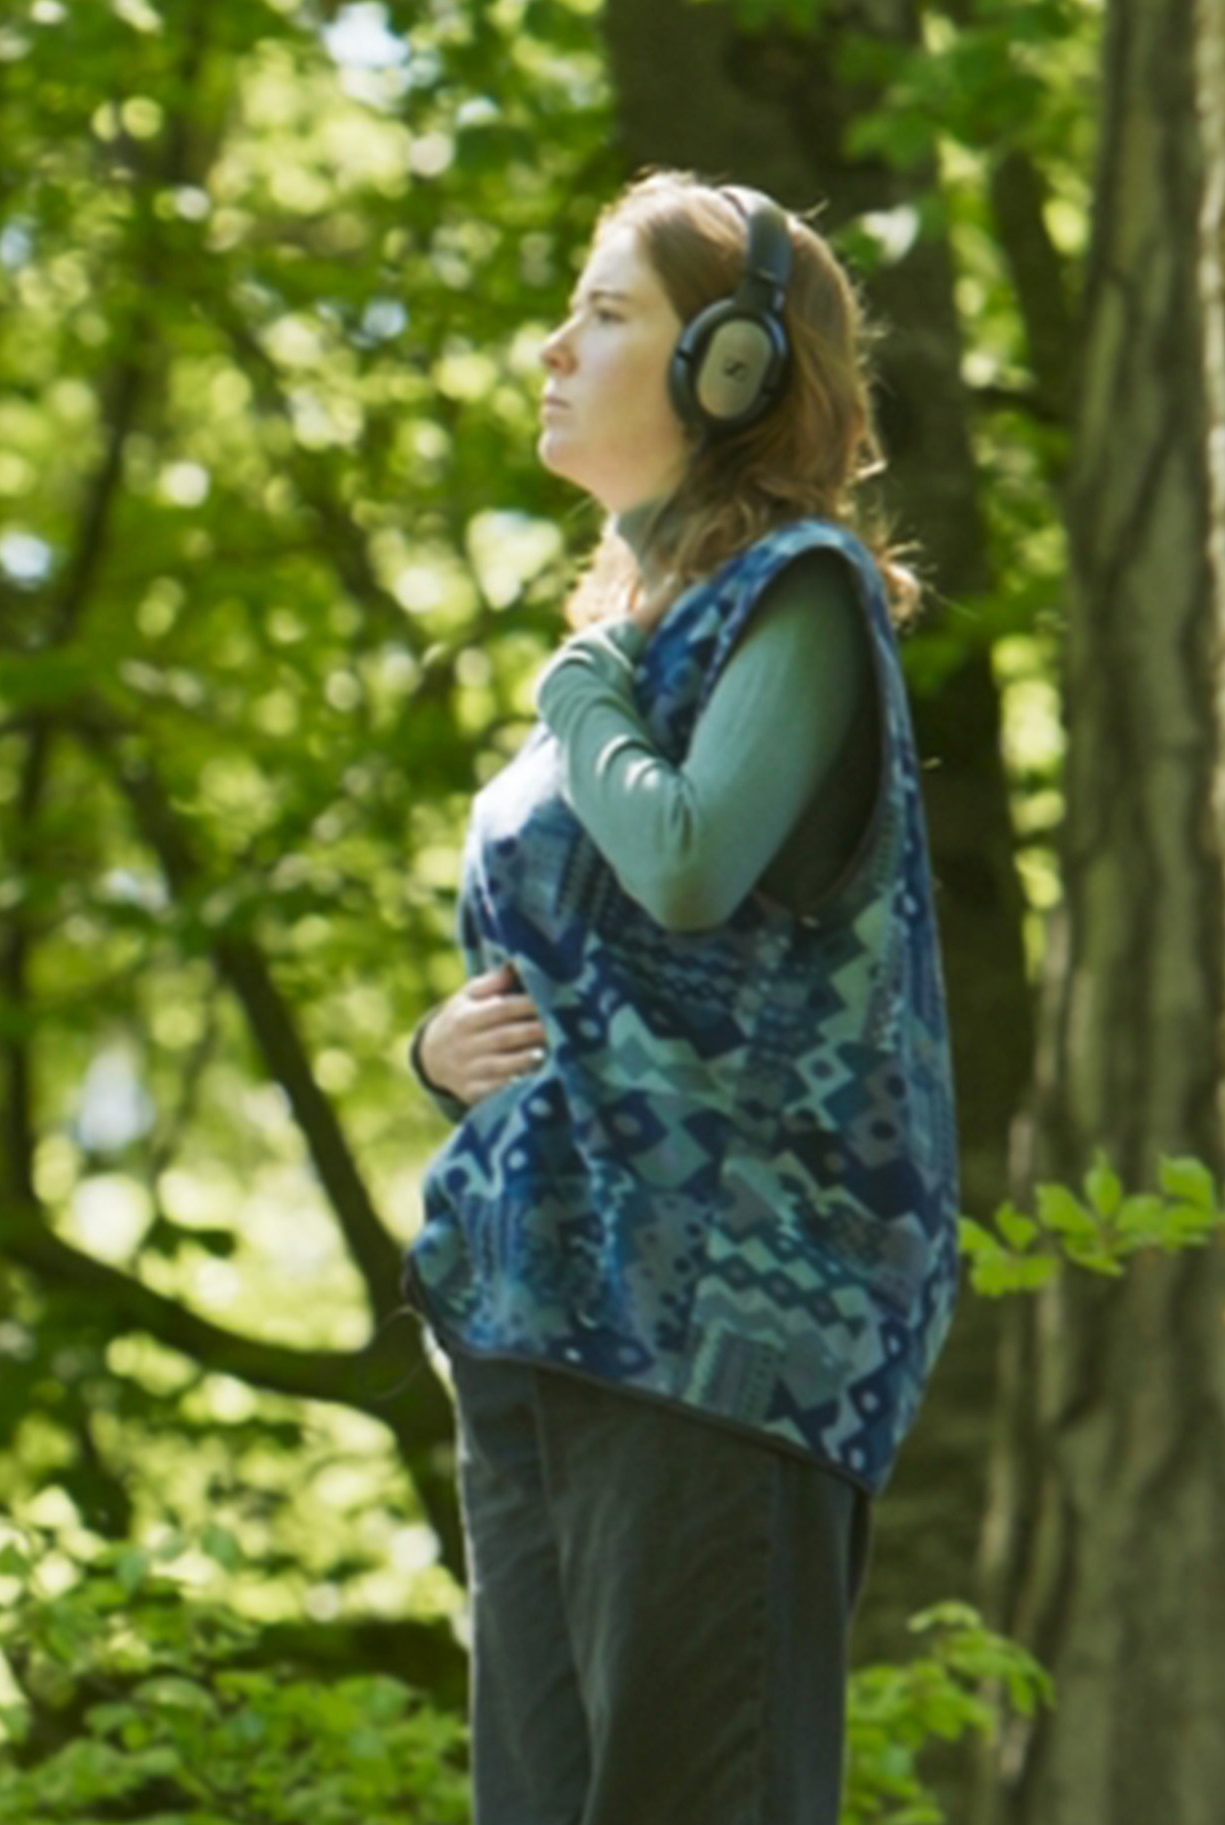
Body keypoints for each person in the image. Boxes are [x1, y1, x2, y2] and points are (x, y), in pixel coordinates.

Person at [400, 170, 961, 1825]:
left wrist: (578, 692)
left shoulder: (795, 590)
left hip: (719, 1339)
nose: (552, 348)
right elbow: (572, 952)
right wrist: (440, 1053)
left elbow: (694, 862)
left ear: (731, 368)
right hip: (538, 1319)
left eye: (604, 313)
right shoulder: (632, 642)